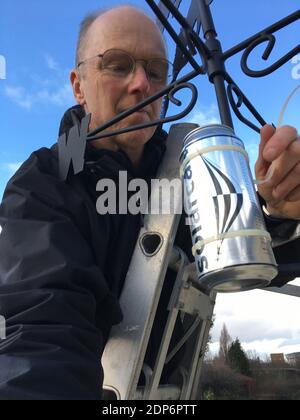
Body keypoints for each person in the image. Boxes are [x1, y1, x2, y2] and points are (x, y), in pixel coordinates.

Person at [0, 5, 299, 400]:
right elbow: (40, 331)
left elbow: (238, 256)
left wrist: (278, 211)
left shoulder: (188, 169)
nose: (142, 83)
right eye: (118, 65)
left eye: (156, 70)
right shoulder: (47, 180)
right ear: (78, 85)